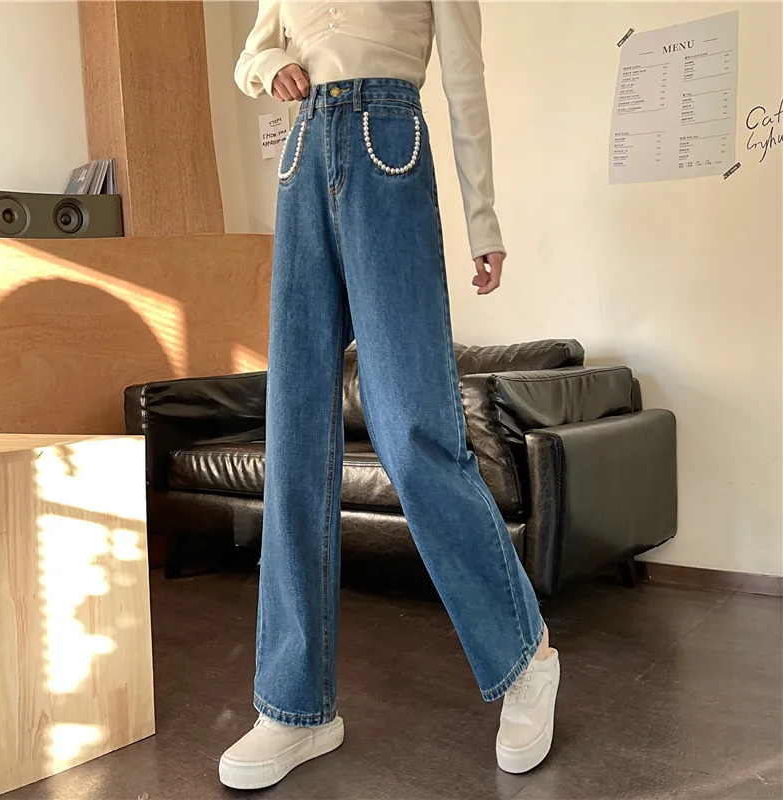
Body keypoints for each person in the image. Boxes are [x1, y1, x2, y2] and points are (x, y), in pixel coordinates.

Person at [220, 0, 560, 790]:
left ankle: (526, 657)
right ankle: (294, 707)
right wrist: (271, 68)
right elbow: (250, 55)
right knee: (295, 437)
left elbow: (464, 76)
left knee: (414, 431)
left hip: (388, 143)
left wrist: (483, 218)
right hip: (303, 155)